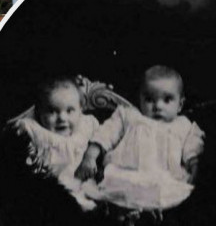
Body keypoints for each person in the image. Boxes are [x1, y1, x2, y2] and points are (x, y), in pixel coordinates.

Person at [75, 65, 204, 211]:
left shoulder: (183, 125)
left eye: (167, 100)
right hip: (128, 174)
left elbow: (194, 148)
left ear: (180, 104)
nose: (158, 106)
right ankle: (127, 215)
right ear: (140, 99)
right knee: (118, 189)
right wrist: (90, 155)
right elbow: (107, 133)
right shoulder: (129, 115)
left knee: (169, 193)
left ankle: (147, 214)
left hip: (164, 178)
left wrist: (194, 167)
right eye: (149, 99)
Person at [13, 77, 100, 208]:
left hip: (82, 185)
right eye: (52, 111)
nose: (62, 118)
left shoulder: (86, 125)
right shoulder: (36, 131)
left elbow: (102, 140)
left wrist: (90, 157)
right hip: (49, 192)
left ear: (80, 109)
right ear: (39, 112)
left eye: (70, 110)